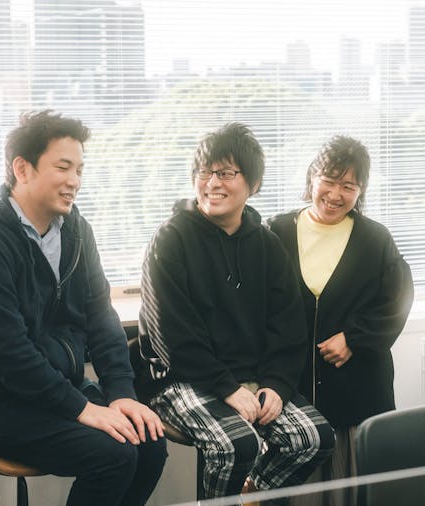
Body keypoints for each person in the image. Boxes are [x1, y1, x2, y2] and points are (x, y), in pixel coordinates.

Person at [0, 110, 167, 506]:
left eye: (79, 169)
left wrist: (120, 393)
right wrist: (83, 408)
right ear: (22, 169)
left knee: (149, 442)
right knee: (114, 456)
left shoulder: (76, 230)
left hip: (59, 388)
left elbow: (100, 316)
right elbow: (9, 356)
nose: (74, 181)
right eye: (63, 167)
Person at [138, 122, 335, 501]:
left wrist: (277, 384)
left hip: (250, 378)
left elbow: (288, 326)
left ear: (253, 184)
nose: (213, 182)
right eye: (205, 172)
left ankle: (252, 494)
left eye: (227, 173)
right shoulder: (171, 238)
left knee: (314, 439)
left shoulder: (267, 245)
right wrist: (226, 388)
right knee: (237, 445)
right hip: (180, 380)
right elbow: (171, 336)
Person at [268, 136, 414, 506]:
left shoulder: (375, 239)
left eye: (348, 186)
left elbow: (398, 298)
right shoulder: (276, 232)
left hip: (356, 391)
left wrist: (354, 338)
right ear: (312, 178)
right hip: (292, 391)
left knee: (350, 491)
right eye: (329, 181)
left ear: (360, 190)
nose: (335, 194)